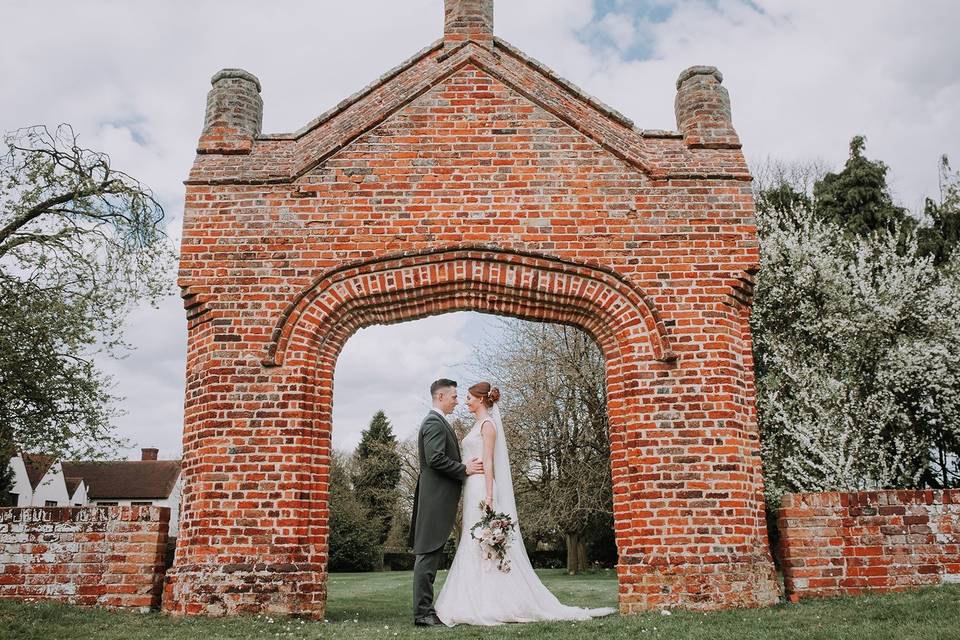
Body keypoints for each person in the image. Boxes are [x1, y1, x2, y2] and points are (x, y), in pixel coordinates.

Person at [434, 381, 616, 626]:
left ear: (480, 399)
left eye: (468, 397)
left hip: (481, 489)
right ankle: (474, 598)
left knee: (481, 542)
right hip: (471, 487)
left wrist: (488, 496)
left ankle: (491, 602)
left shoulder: (488, 425)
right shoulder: (477, 424)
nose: (465, 401)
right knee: (472, 541)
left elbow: (489, 462)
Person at [409, 378, 484, 627]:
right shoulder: (433, 422)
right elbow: (435, 459)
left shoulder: (440, 422)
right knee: (427, 556)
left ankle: (426, 610)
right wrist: (465, 469)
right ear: (440, 397)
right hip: (435, 500)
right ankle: (422, 614)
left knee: (430, 555)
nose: (456, 401)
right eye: (453, 397)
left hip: (437, 498)